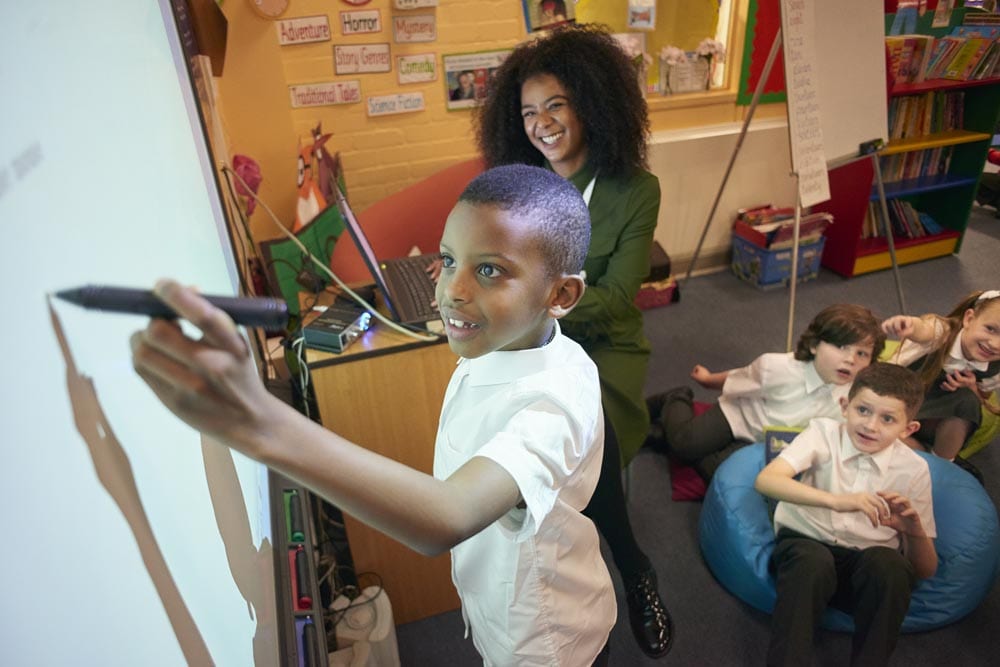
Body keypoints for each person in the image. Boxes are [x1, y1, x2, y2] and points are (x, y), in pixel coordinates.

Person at [131, 165, 618, 666]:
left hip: (547, 642)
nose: (452, 289)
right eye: (449, 261)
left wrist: (261, 424)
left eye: (489, 270)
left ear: (560, 296)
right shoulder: (504, 342)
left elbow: (448, 515)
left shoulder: (550, 405)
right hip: (501, 606)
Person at [473, 24, 671, 657]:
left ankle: (634, 571)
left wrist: (530, 304)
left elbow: (614, 297)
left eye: (556, 105)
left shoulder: (635, 188)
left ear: (591, 101)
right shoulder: (515, 183)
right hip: (526, 338)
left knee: (592, 428)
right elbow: (486, 257)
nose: (543, 123)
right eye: (530, 112)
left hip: (602, 345)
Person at [755, 362, 937, 667]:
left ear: (908, 429)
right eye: (862, 410)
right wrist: (836, 501)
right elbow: (767, 480)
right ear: (844, 405)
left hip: (863, 572)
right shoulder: (823, 433)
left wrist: (914, 530)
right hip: (806, 545)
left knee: (889, 567)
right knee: (812, 563)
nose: (870, 426)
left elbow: (925, 570)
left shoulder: (915, 469)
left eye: (888, 419)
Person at [647, 304, 886, 481]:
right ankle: (675, 397)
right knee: (685, 445)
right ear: (814, 345)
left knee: (722, 475)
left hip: (767, 442)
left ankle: (660, 436)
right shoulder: (777, 367)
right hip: (739, 416)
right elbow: (741, 377)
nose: (850, 359)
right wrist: (709, 380)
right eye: (841, 347)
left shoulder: (856, 393)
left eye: (862, 354)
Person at [881, 289, 1000, 483]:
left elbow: (983, 397)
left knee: (968, 402)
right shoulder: (944, 331)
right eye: (990, 329)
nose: (994, 344)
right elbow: (925, 329)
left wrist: (971, 387)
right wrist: (910, 325)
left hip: (932, 415)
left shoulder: (994, 367)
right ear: (969, 319)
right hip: (897, 396)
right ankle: (917, 455)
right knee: (886, 439)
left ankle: (941, 466)